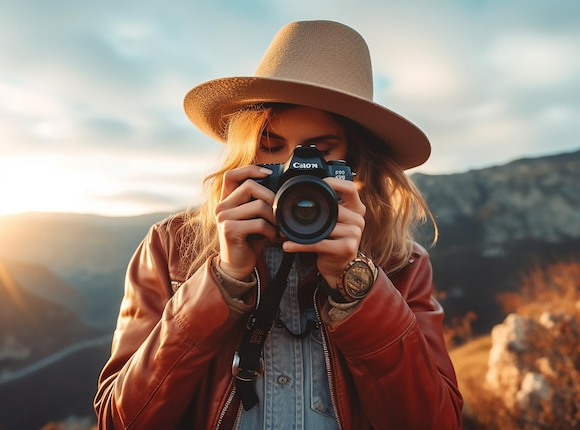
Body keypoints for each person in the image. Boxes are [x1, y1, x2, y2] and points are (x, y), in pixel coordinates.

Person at [94, 20, 463, 429]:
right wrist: (221, 280)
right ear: (245, 152)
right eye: (270, 147)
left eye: (320, 151)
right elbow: (119, 420)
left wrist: (357, 287)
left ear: (355, 161)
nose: (290, 170)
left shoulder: (401, 263)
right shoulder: (172, 247)